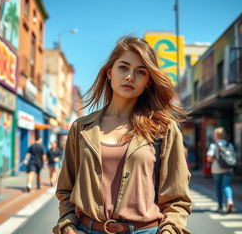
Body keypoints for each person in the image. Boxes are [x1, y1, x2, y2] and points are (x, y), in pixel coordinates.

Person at [53, 36, 191, 234]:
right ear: (109, 72)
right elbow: (66, 189)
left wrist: (170, 231)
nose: (130, 77)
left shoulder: (164, 129)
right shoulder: (81, 128)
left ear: (148, 82)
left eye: (140, 72)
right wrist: (67, 226)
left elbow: (177, 198)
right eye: (123, 67)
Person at [207, 127, 235, 213]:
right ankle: (229, 200)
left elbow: (209, 158)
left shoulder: (213, 145)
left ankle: (220, 206)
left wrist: (213, 159)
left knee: (218, 188)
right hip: (228, 168)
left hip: (217, 169)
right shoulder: (229, 144)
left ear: (216, 135)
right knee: (226, 186)